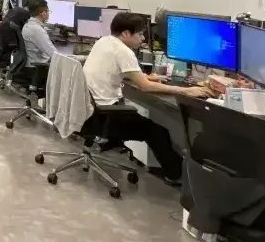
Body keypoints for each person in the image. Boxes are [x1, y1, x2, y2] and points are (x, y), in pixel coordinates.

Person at [82, 12, 211, 184]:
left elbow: (116, 70)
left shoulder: (104, 42)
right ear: (125, 33)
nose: (143, 39)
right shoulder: (123, 52)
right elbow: (145, 87)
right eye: (140, 34)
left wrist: (145, 77)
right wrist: (186, 91)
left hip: (88, 110)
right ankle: (175, 176)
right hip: (105, 115)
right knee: (156, 132)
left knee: (153, 126)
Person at [22, 0, 58, 65]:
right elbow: (54, 54)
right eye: (48, 12)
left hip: (33, 63)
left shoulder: (29, 24)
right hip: (39, 67)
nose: (48, 14)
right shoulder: (36, 30)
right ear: (43, 13)